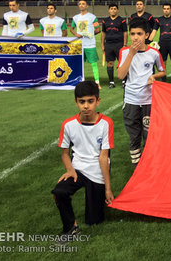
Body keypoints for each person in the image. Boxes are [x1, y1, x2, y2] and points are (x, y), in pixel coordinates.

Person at [51, 81, 114, 242]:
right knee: (59, 192)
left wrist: (107, 189)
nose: (86, 106)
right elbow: (65, 154)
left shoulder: (106, 123)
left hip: (97, 171)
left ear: (98, 101)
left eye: (90, 101)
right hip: (78, 169)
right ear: (76, 102)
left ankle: (97, 199)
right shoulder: (68, 125)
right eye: (82, 102)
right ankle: (71, 227)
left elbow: (103, 157)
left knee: (94, 221)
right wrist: (70, 170)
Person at [117, 17, 165, 166]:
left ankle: (150, 166)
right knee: (134, 137)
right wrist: (131, 53)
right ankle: (136, 167)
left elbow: (162, 72)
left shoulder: (154, 53)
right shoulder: (124, 52)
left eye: (139, 33)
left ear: (146, 35)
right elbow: (120, 75)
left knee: (150, 137)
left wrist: (154, 76)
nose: (135, 37)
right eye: (132, 34)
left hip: (149, 101)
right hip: (131, 101)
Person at [72, 0, 101, 87]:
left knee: (93, 64)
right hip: (79, 44)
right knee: (79, 64)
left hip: (90, 44)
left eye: (83, 4)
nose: (81, 5)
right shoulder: (75, 17)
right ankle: (80, 81)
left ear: (87, 6)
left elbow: (98, 29)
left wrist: (90, 35)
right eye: (80, 4)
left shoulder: (92, 17)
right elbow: (72, 28)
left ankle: (97, 82)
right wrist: (76, 34)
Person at [101, 3, 127, 89]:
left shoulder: (122, 20)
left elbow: (125, 33)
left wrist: (125, 44)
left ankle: (124, 81)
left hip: (119, 44)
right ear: (109, 10)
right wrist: (102, 44)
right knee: (110, 63)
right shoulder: (105, 21)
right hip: (108, 44)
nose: (113, 10)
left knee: (121, 63)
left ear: (117, 10)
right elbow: (103, 33)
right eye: (111, 8)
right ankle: (111, 82)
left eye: (115, 9)